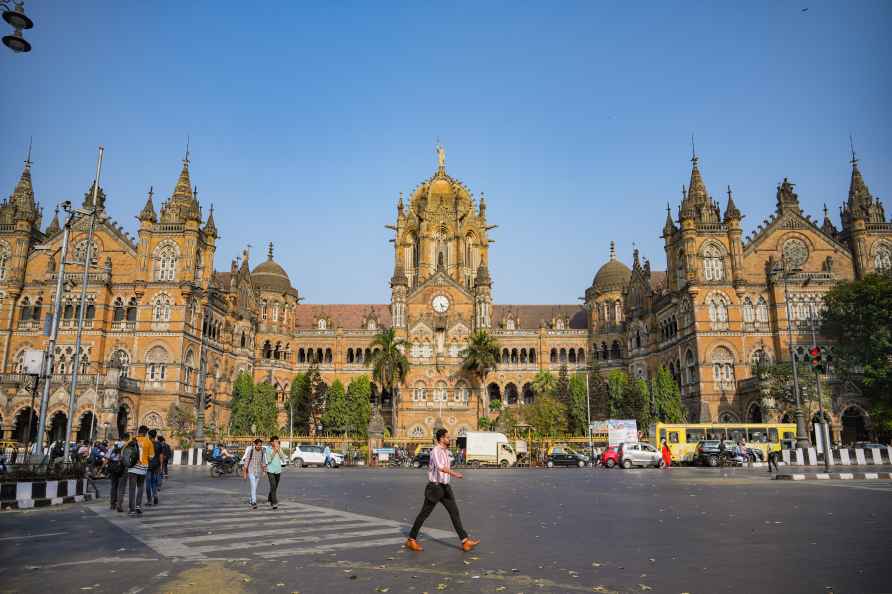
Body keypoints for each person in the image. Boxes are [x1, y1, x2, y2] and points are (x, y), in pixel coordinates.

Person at [406, 428, 479, 553]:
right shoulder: (435, 451)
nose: (449, 438)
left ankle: (465, 541)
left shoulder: (446, 451)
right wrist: (455, 474)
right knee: (424, 514)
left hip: (445, 487)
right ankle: (411, 539)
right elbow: (440, 467)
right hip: (435, 488)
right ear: (441, 438)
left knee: (454, 512)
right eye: (447, 437)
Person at [126, 426, 154, 516]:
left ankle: (131, 509)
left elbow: (124, 452)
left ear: (138, 431)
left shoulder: (131, 440)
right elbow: (151, 456)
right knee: (140, 487)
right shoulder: (148, 442)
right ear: (146, 433)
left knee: (132, 488)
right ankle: (138, 506)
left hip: (132, 467)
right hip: (143, 467)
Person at [241, 438, 267, 509]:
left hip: (258, 472)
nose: (259, 446)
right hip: (251, 471)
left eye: (260, 445)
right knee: (253, 486)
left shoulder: (262, 452)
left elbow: (263, 462)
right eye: (258, 445)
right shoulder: (251, 451)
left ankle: (251, 499)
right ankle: (254, 502)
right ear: (255, 444)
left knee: (255, 487)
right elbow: (246, 461)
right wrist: (245, 472)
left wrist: (264, 471)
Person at [106, 437, 127, 512]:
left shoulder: (113, 447)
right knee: (121, 487)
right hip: (123, 468)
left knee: (113, 486)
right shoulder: (127, 446)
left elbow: (107, 458)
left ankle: (112, 504)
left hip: (113, 468)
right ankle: (119, 505)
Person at [265, 436, 284, 510]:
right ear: (272, 442)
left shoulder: (279, 448)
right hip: (270, 470)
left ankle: (270, 498)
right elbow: (269, 460)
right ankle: (274, 502)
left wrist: (278, 450)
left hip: (278, 470)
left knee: (275, 486)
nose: (276, 442)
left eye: (277, 441)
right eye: (275, 441)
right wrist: (275, 451)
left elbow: (282, 457)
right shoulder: (268, 449)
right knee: (273, 485)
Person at [145, 429, 162, 506]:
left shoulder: (147, 443)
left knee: (148, 483)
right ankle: (155, 495)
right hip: (156, 465)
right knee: (154, 482)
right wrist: (160, 465)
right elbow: (161, 456)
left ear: (149, 435)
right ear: (155, 436)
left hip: (148, 465)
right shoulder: (159, 444)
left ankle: (149, 500)